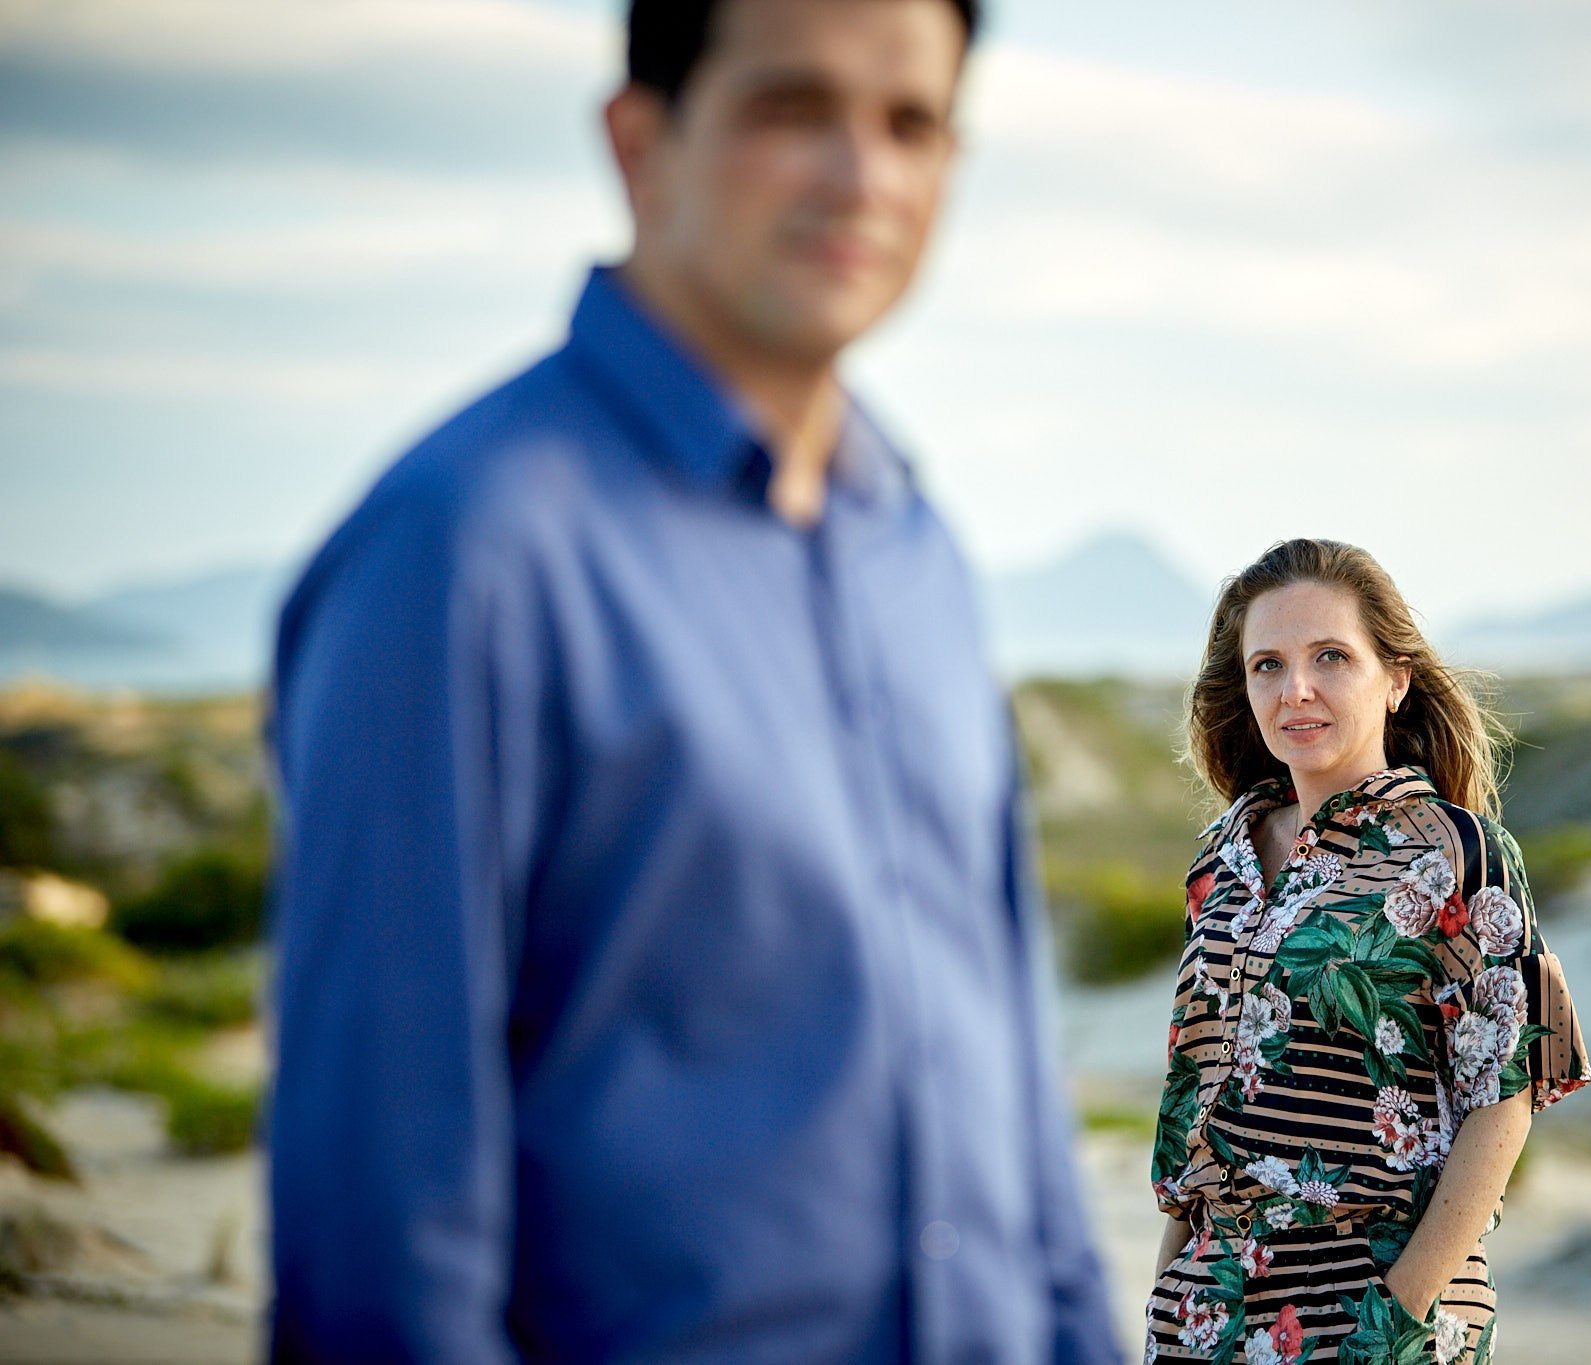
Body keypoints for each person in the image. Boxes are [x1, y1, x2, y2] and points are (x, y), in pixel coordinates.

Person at [265, 1, 1119, 1360]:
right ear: (638, 142)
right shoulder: (462, 550)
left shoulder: (920, 553)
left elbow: (1010, 1088)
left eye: (911, 125)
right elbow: (381, 1209)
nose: (861, 177)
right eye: (793, 109)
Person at [1143, 539, 1591, 1364]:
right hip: (1205, 1317)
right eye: (1267, 665)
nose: (1297, 689)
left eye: (1331, 657)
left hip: (1375, 1309)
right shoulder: (1221, 860)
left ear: (1396, 678)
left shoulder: (1458, 853)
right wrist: (1170, 1290)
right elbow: (1197, 1102)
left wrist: (1395, 1319)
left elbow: (1508, 1093)